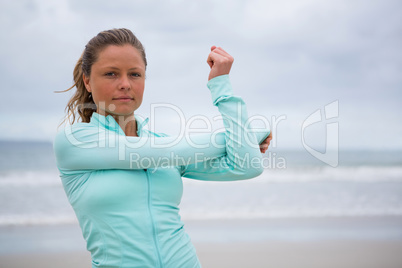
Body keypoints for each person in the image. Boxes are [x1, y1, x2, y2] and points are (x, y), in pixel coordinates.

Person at [54, 28, 272, 268]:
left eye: (135, 74)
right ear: (87, 80)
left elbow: (246, 167)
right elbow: (168, 151)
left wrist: (221, 85)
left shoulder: (160, 141)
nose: (125, 84)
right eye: (111, 74)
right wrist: (250, 135)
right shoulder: (75, 139)